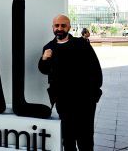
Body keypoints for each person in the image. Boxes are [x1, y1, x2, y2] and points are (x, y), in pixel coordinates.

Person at [38, 14, 103, 151]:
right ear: (53, 28)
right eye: (57, 26)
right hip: (63, 102)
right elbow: (44, 70)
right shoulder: (49, 47)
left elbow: (96, 70)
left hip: (85, 101)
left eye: (63, 25)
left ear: (69, 27)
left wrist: (94, 95)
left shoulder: (81, 44)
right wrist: (44, 58)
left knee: (85, 139)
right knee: (68, 139)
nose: (59, 28)